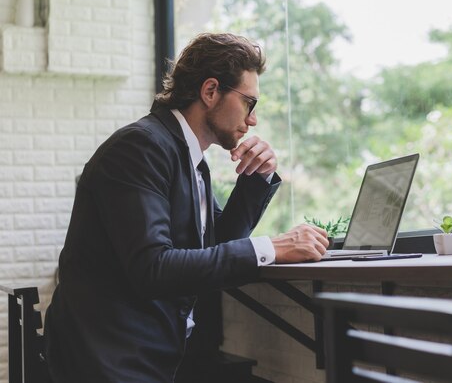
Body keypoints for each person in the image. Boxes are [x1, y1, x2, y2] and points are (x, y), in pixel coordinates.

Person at [44, 33, 329, 383]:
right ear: (210, 92)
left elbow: (214, 244)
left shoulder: (190, 160)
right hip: (111, 358)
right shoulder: (141, 147)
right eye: (249, 103)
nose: (252, 120)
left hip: (158, 352)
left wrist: (258, 178)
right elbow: (153, 268)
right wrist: (273, 247)